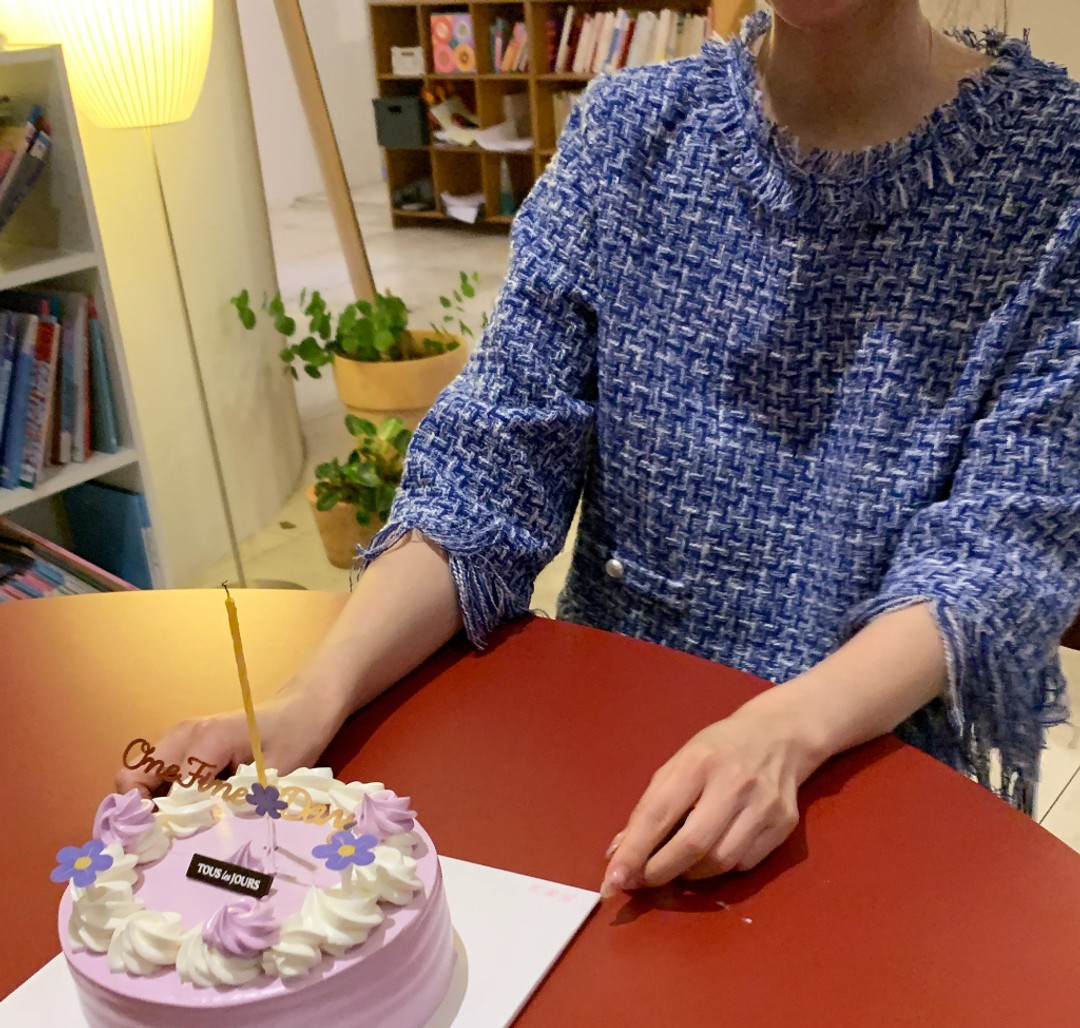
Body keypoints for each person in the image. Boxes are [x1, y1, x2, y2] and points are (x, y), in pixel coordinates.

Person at [127, 1, 1080, 899]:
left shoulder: (1054, 168)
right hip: (609, 771)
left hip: (877, 778)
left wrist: (787, 729)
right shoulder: (630, 133)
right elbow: (489, 464)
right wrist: (309, 696)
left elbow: (999, 550)